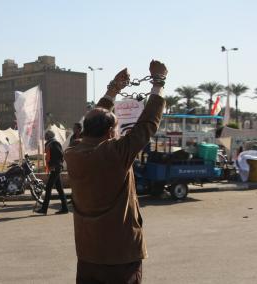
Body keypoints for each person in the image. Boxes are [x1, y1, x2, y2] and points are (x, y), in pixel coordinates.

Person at [65, 60, 167, 284]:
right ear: (111, 132)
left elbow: (87, 125)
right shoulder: (116, 152)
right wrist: (158, 82)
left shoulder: (72, 152)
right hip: (121, 253)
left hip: (88, 252)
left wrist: (112, 91)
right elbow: (148, 123)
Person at [35, 130, 68, 215]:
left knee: (48, 188)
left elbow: (60, 155)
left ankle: (44, 209)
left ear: (49, 135)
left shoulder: (55, 143)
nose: (45, 136)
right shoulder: (51, 143)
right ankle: (65, 208)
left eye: (46, 135)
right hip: (54, 168)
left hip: (55, 168)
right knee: (59, 189)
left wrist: (55, 165)